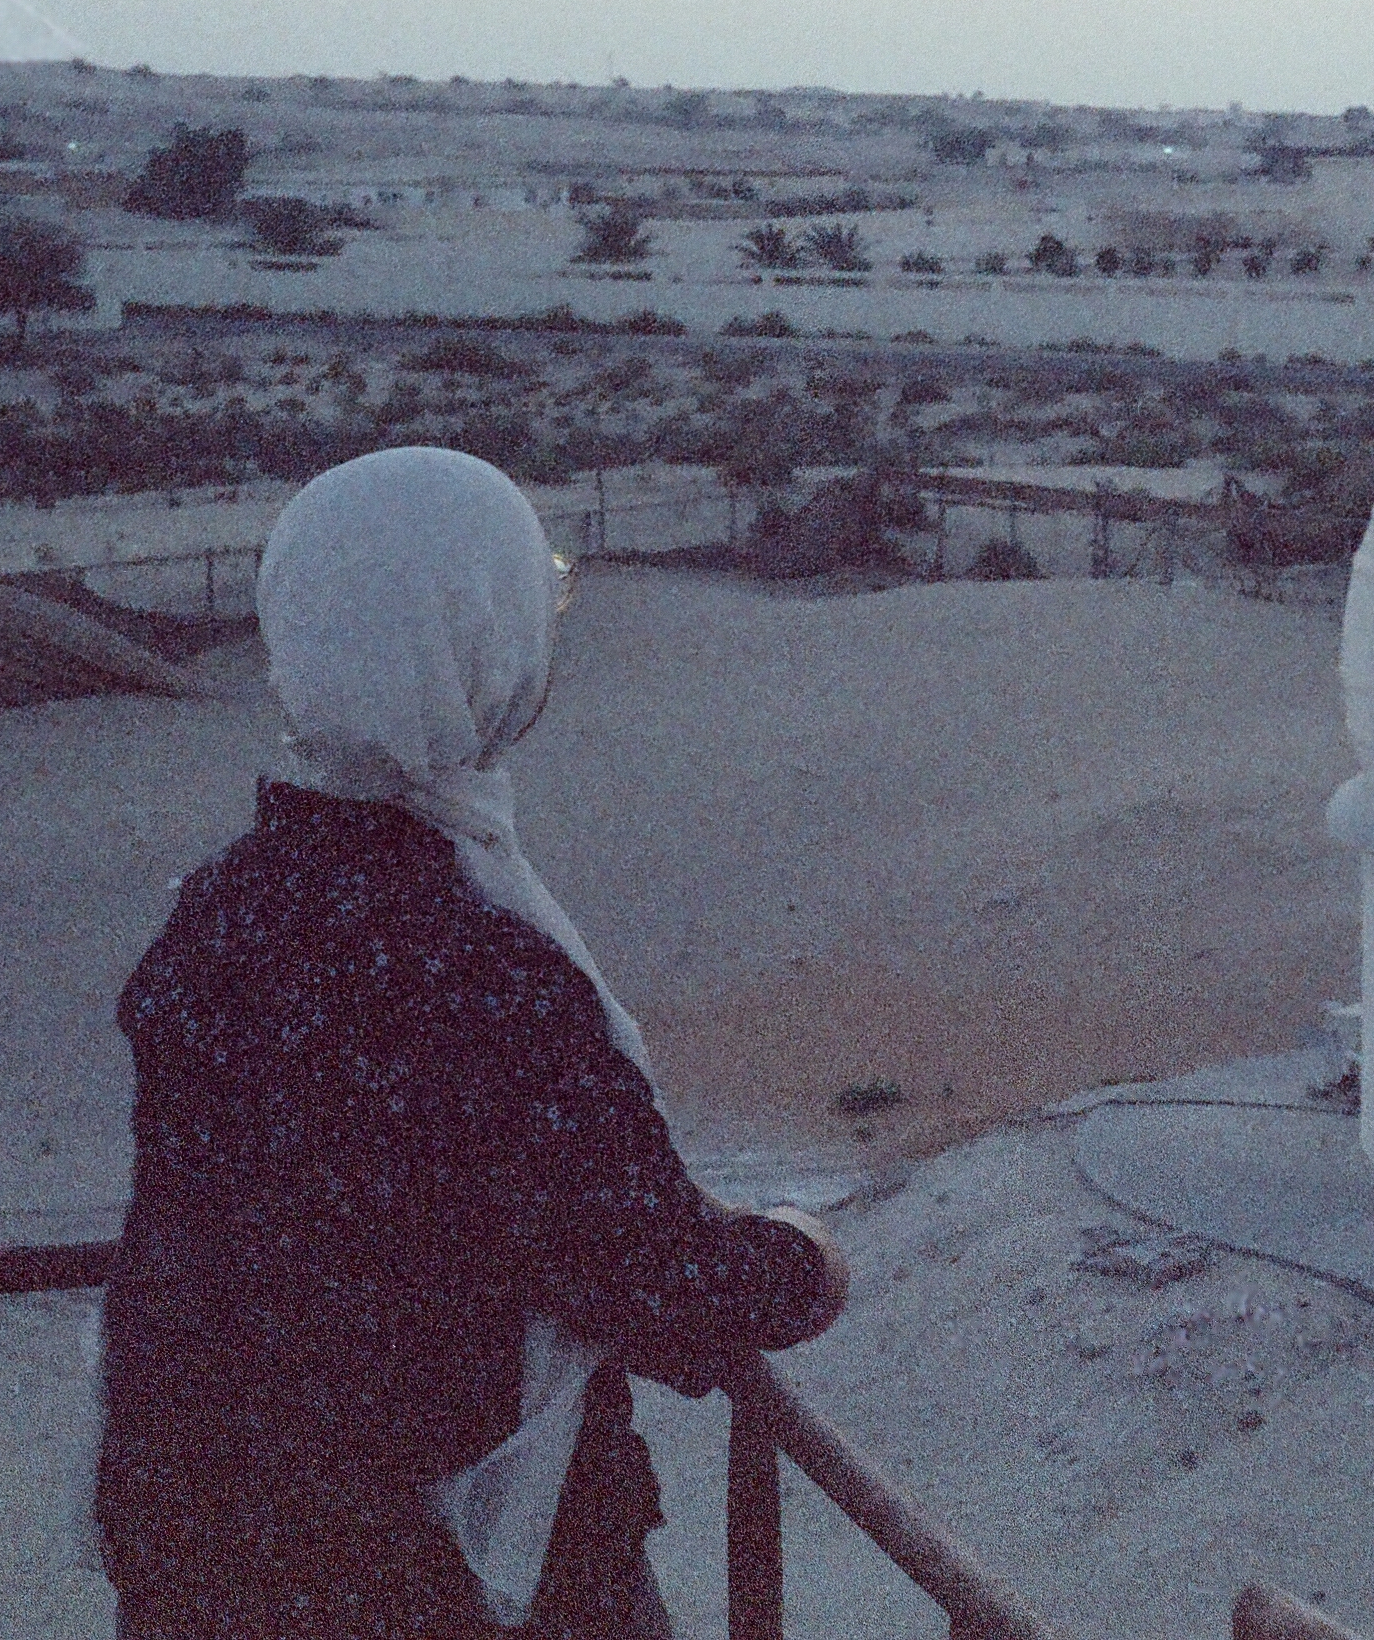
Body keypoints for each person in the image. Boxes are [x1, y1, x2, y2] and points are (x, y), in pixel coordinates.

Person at [95, 446, 846, 1639]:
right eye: (536, 592)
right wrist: (806, 1263)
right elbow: (653, 1281)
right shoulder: (475, 968)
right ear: (480, 647)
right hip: (437, 1574)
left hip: (203, 1548)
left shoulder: (225, 909)